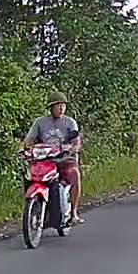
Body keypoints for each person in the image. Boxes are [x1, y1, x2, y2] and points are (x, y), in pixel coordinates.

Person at [21, 91, 85, 224]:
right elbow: (29, 140)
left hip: (65, 160)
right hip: (45, 161)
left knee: (74, 175)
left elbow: (76, 140)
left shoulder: (70, 122)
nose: (61, 108)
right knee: (30, 176)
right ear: (51, 107)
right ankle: (33, 206)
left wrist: (73, 148)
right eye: (57, 105)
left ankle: (73, 213)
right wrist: (24, 149)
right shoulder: (40, 122)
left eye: (63, 105)